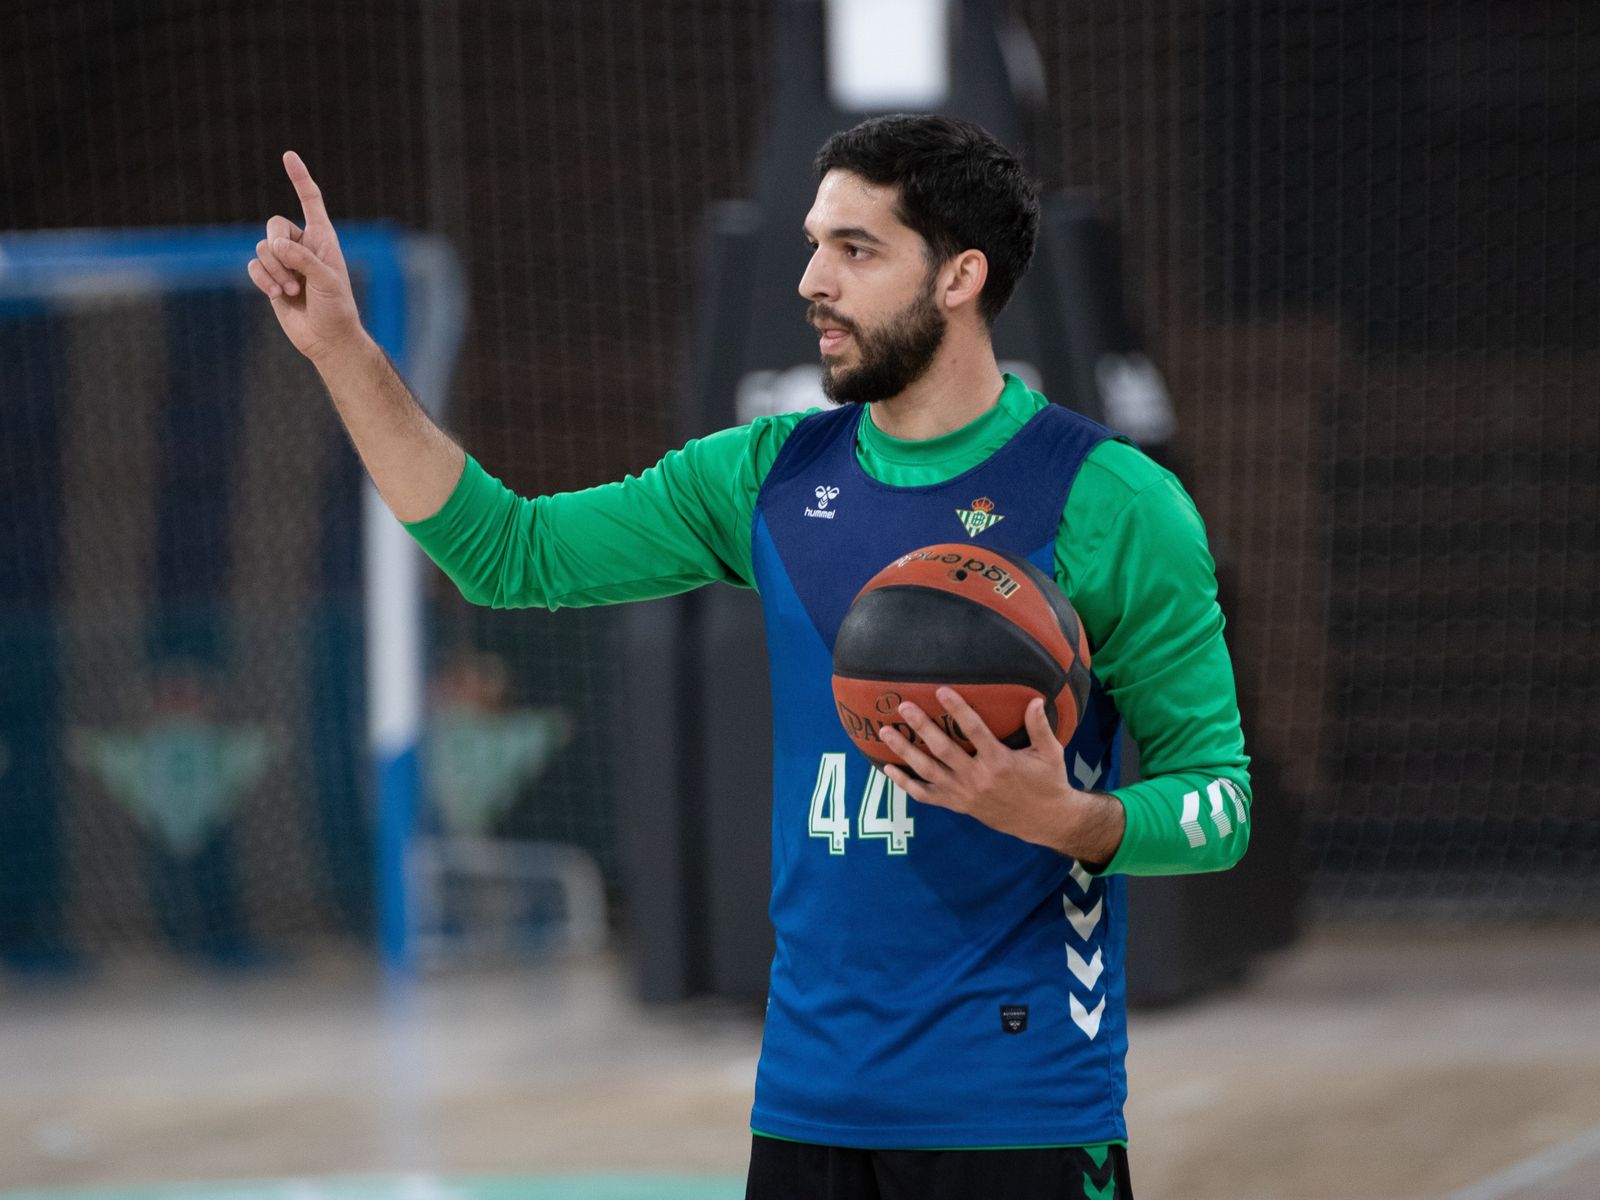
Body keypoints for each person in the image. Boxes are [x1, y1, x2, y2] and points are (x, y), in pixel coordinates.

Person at [250, 113, 1251, 1200]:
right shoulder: (764, 477)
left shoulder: (1112, 500)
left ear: (960, 275)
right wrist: (344, 353)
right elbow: (506, 553)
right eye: (814, 243)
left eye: (856, 250)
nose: (814, 279)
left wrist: (1073, 820)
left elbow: (1219, 805)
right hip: (806, 1110)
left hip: (1020, 1110)